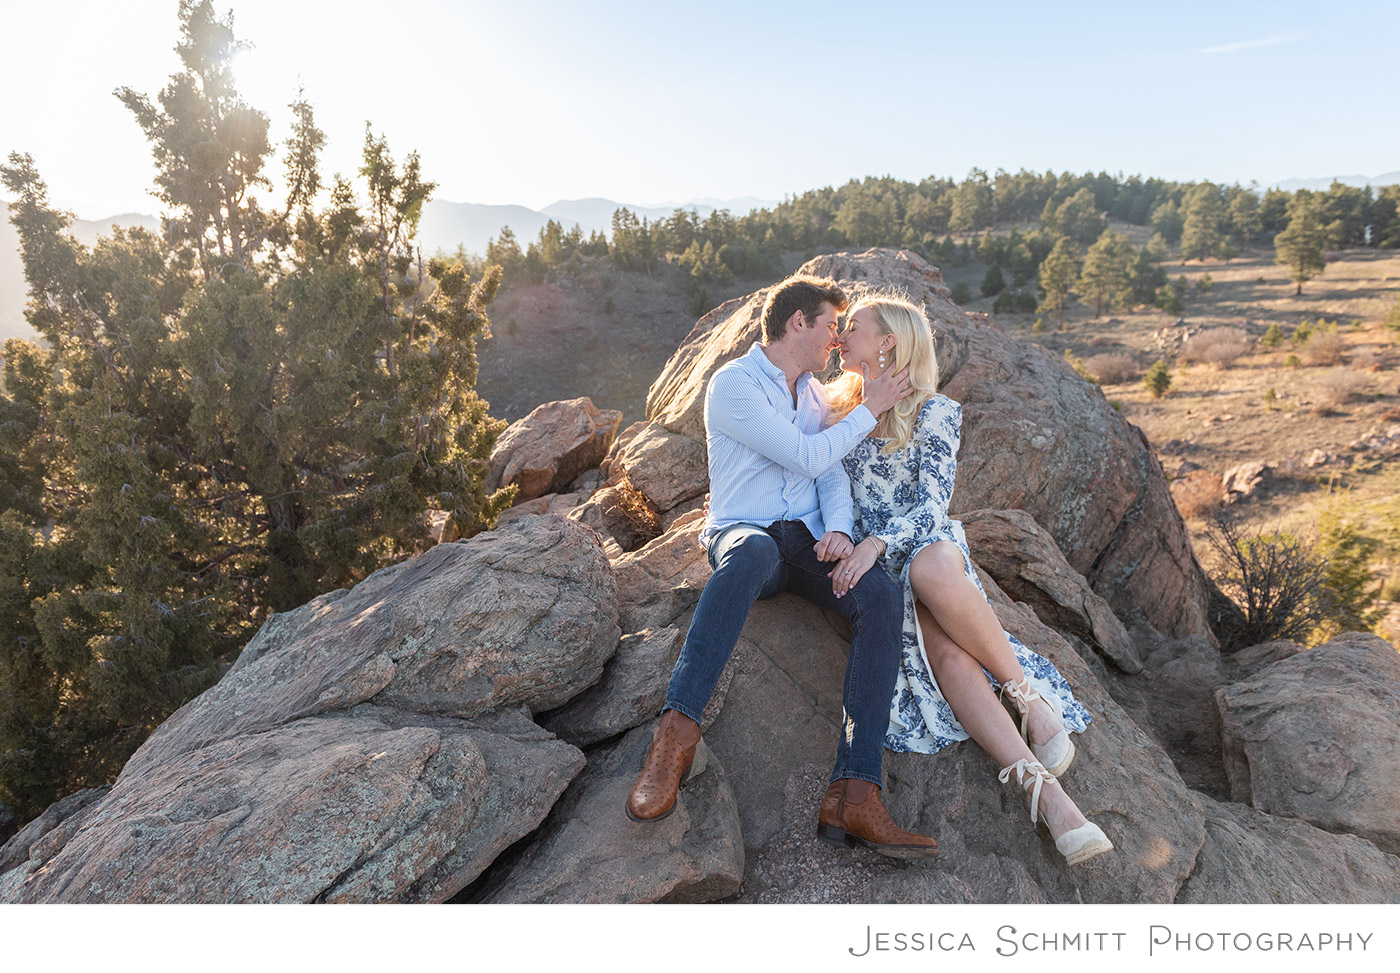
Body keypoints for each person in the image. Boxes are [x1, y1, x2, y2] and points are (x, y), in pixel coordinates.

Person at [625, 275, 940, 859]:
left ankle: (854, 792)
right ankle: (674, 737)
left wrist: (840, 528)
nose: (838, 340)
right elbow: (805, 455)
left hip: (807, 543)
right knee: (753, 552)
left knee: (880, 595)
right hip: (745, 533)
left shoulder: (815, 396)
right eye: (831, 326)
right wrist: (870, 408)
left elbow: (830, 472)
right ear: (799, 323)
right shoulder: (734, 384)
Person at [824, 293, 1113, 866]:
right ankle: (1051, 800)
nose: (840, 335)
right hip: (876, 573)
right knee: (949, 659)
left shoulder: (935, 411)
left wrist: (878, 540)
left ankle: (1027, 699)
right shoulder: (837, 412)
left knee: (929, 565)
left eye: (853, 326)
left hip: (924, 549)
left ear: (888, 342)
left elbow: (933, 506)